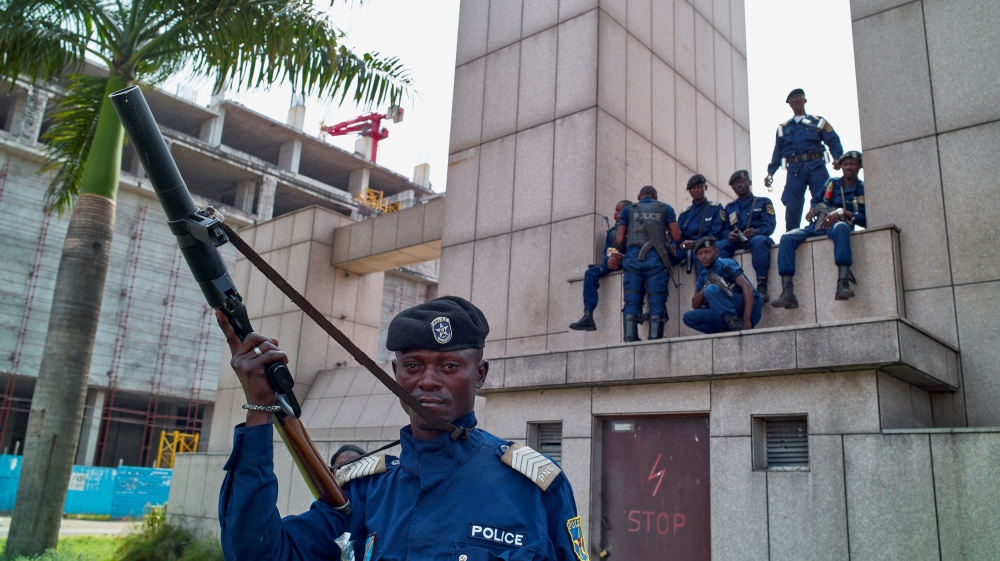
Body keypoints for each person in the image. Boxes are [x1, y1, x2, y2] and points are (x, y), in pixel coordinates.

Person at [217, 296, 587, 560]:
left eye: (449, 366)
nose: (428, 380)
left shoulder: (535, 488)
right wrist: (259, 410)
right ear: (395, 375)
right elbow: (256, 552)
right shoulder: (362, 494)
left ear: (480, 374)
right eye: (412, 366)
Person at [771, 151, 866, 308]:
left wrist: (843, 212)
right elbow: (816, 199)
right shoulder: (832, 183)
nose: (849, 167)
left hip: (838, 225)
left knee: (841, 227)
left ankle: (843, 284)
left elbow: (866, 218)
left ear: (859, 166)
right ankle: (787, 292)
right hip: (818, 225)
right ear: (841, 166)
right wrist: (813, 209)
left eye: (853, 164)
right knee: (787, 237)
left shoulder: (861, 188)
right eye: (845, 164)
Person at [764, 88, 844, 232]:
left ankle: (823, 230)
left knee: (824, 200)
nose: (795, 101)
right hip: (795, 171)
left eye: (798, 97)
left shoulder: (817, 121)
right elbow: (777, 153)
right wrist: (770, 173)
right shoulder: (783, 128)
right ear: (789, 104)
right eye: (791, 99)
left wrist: (838, 158)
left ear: (805, 100)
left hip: (816, 167)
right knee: (792, 204)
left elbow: (833, 141)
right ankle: (792, 234)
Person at [617, 185, 682, 342]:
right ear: (656, 197)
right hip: (656, 259)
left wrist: (633, 242)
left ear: (639, 197)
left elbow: (619, 239)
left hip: (633, 259)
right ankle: (655, 338)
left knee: (631, 299)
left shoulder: (628, 210)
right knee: (657, 300)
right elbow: (676, 236)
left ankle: (630, 337)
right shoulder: (665, 208)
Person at [569, 200, 630, 331]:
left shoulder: (635, 229)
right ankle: (588, 315)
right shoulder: (612, 232)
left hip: (630, 262)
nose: (614, 213)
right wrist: (609, 260)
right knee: (590, 273)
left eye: (618, 211)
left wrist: (623, 257)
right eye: (615, 210)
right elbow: (608, 250)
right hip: (615, 263)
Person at [717, 170, 777, 302]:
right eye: (735, 184)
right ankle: (723, 285)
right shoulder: (730, 207)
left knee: (759, 241)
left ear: (749, 182)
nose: (739, 185)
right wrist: (729, 235)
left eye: (742, 182)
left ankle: (762, 286)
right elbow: (724, 229)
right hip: (737, 241)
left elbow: (770, 225)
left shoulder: (763, 202)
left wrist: (756, 231)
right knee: (719, 246)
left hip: (756, 238)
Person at [683, 237, 763, 334]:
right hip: (725, 314)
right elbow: (695, 305)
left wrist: (747, 320)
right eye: (700, 253)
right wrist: (705, 286)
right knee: (688, 317)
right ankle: (725, 329)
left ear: (716, 252)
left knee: (711, 289)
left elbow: (747, 287)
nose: (703, 256)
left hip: (749, 311)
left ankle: (736, 324)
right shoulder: (703, 276)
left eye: (707, 252)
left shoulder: (725, 264)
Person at [673, 174, 727, 276]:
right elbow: (678, 236)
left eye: (699, 187)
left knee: (701, 253)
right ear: (689, 191)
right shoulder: (685, 214)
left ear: (705, 188)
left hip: (705, 247)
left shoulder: (715, 208)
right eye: (693, 188)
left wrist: (696, 243)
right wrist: (674, 245)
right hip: (686, 250)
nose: (696, 190)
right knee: (662, 257)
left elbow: (715, 234)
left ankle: (703, 284)